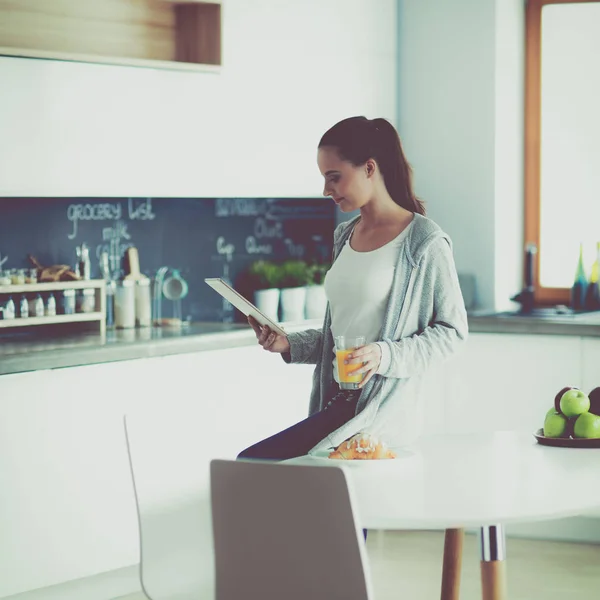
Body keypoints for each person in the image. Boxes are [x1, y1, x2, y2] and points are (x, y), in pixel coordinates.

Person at [238, 116, 468, 463]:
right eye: (324, 179)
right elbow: (342, 335)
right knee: (252, 468)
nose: (326, 190)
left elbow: (452, 333)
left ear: (369, 168)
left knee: (255, 468)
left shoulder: (424, 242)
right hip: (335, 405)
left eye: (334, 177)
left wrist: (383, 355)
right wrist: (289, 343)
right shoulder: (345, 235)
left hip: (378, 416)